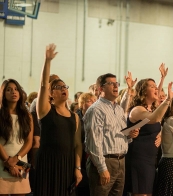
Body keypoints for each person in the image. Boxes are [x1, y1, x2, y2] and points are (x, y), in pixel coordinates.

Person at [34, 44, 82, 196]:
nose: (63, 89)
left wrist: (77, 168)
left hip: (67, 164)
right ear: (50, 93)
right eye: (58, 87)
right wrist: (47, 61)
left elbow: (77, 144)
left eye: (65, 86)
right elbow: (42, 86)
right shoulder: (45, 110)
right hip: (48, 162)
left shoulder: (74, 117)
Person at [84, 73, 139, 196]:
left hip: (120, 161)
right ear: (101, 89)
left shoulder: (118, 109)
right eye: (111, 83)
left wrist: (130, 135)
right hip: (105, 161)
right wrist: (102, 168)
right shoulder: (96, 110)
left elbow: (117, 134)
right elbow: (94, 141)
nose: (116, 86)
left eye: (117, 83)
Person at [126, 70, 172, 196]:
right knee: (142, 194)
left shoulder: (151, 108)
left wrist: (162, 78)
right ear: (143, 91)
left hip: (151, 158)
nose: (156, 88)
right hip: (139, 158)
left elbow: (158, 118)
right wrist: (168, 100)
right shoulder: (137, 110)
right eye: (152, 87)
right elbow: (154, 119)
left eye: (156, 86)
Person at [0, 79, 33, 195]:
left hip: (20, 162)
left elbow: (29, 141)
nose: (13, 92)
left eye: (15, 89)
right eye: (8, 90)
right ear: (3, 94)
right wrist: (7, 161)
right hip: (2, 162)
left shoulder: (27, 116)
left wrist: (16, 159)